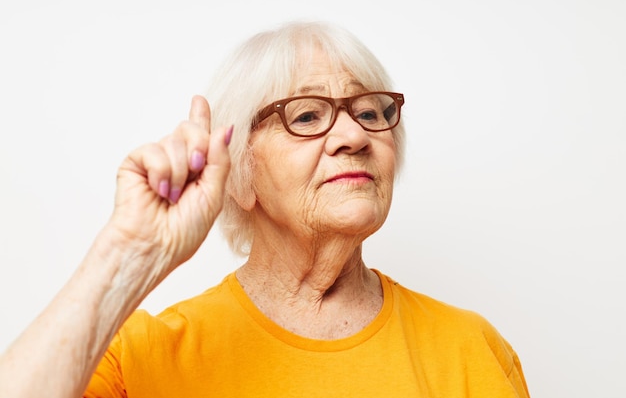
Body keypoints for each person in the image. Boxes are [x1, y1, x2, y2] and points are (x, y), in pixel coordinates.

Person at [0, 21, 530, 398]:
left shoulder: (471, 349)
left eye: (370, 111)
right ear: (239, 173)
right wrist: (127, 253)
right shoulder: (142, 359)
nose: (354, 135)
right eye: (305, 115)